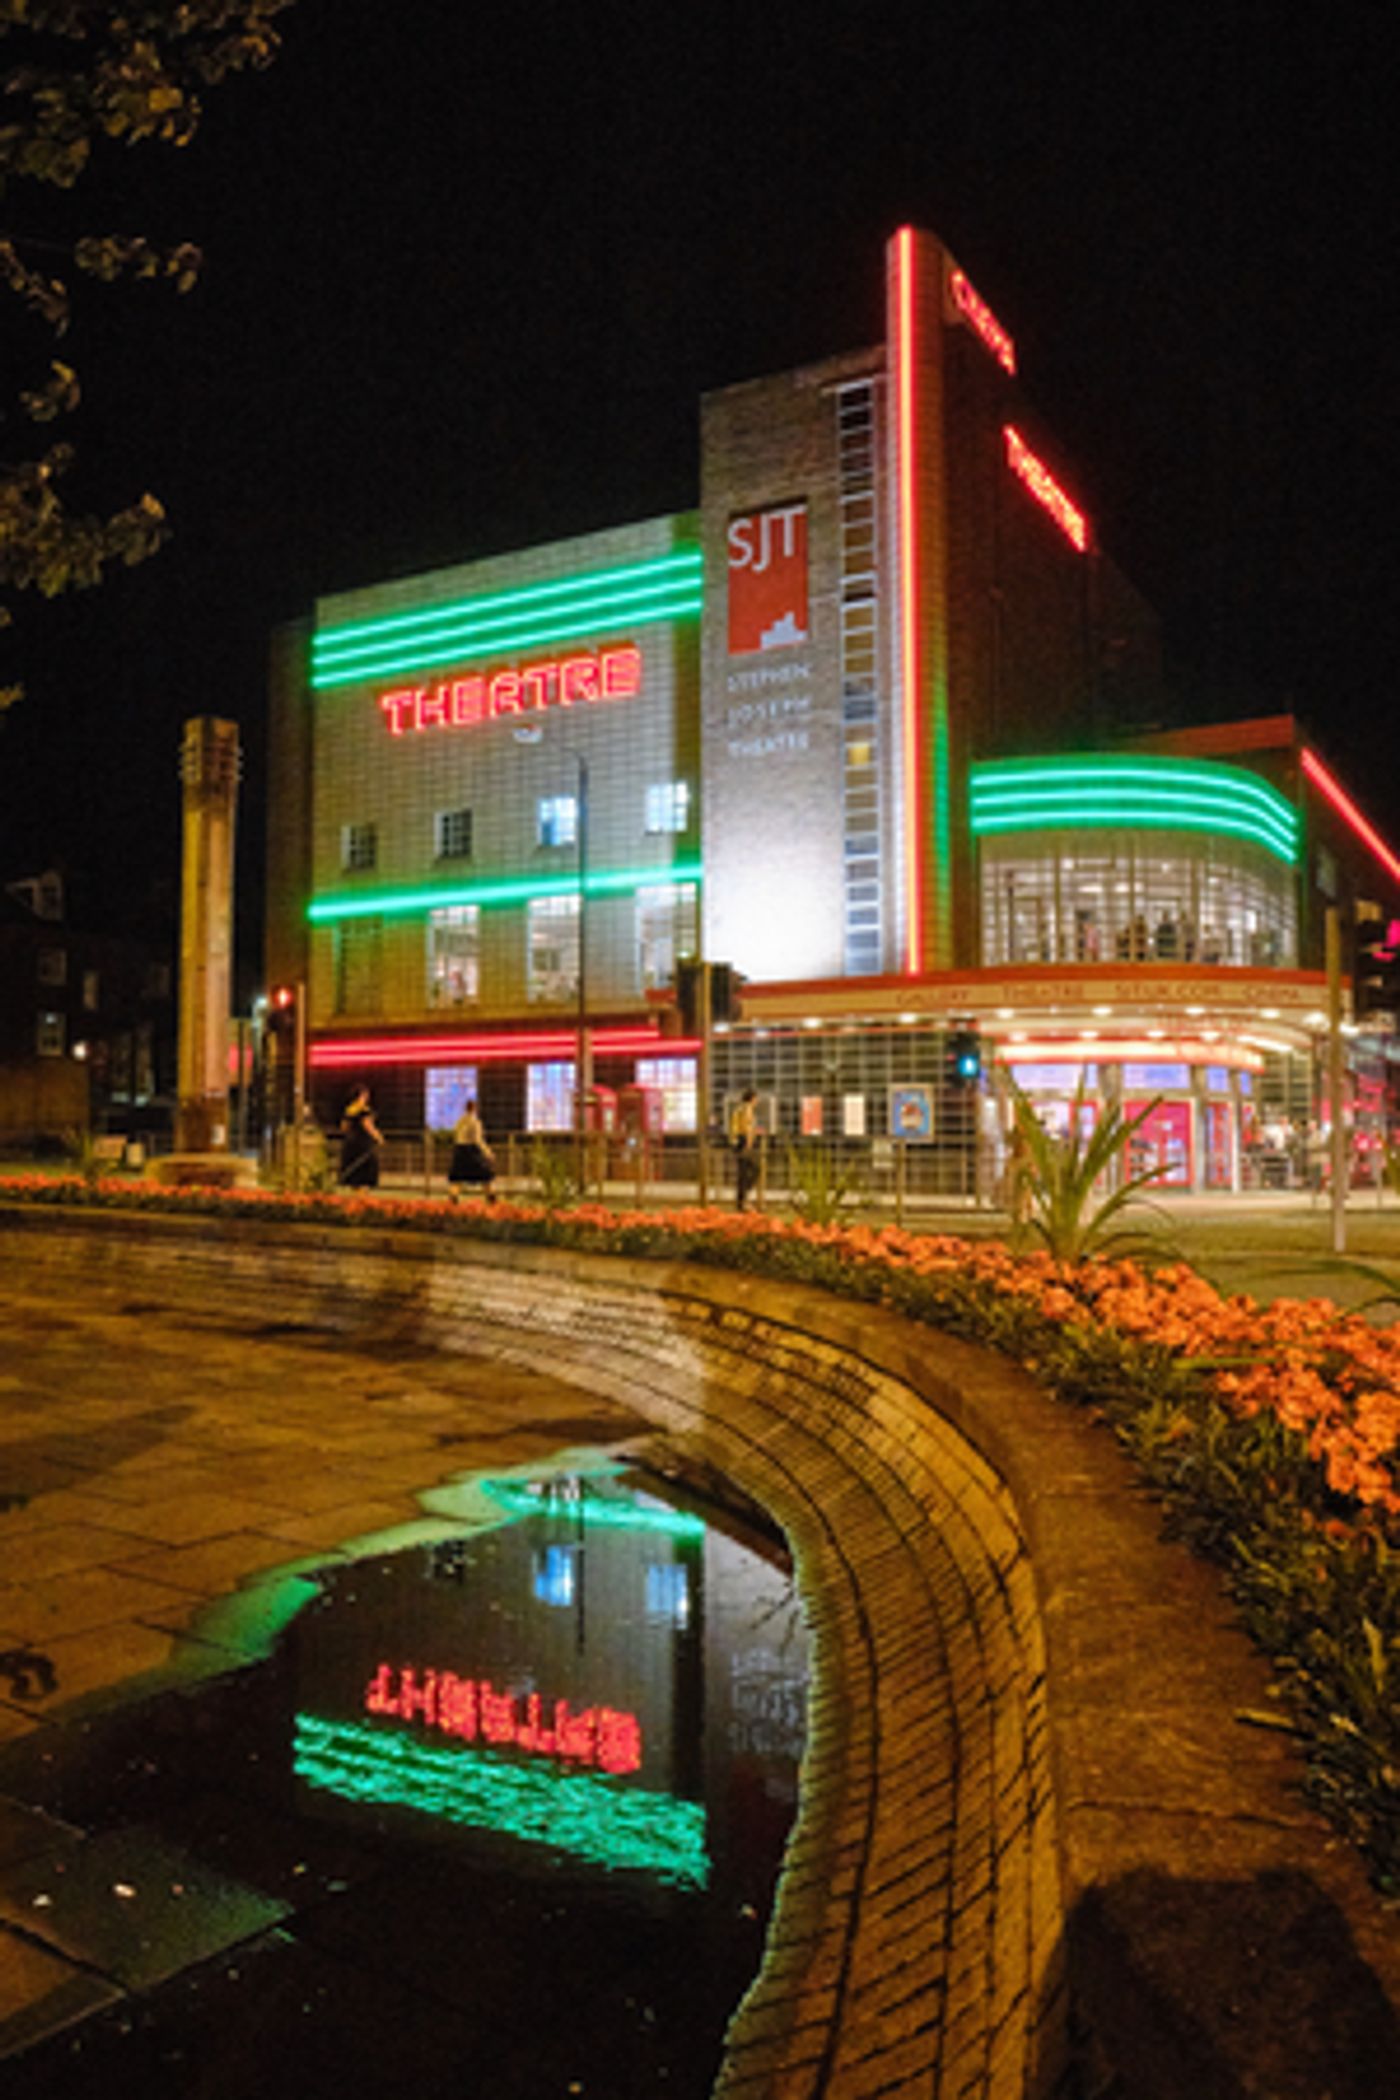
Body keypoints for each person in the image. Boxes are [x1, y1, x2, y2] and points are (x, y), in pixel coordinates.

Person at [448, 1097, 496, 1202]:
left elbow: (455, 1134)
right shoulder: (475, 1122)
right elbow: (478, 1140)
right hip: (471, 1151)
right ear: (475, 1109)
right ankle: (491, 1197)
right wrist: (488, 1153)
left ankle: (453, 1198)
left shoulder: (460, 1121)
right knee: (485, 1174)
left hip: (459, 1151)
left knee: (457, 1177)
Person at [338, 1086, 383, 1188]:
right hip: (363, 1144)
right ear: (361, 1096)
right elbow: (368, 1125)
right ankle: (363, 1195)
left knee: (353, 1172)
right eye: (365, 1095)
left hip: (350, 1144)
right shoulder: (364, 1110)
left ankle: (355, 1194)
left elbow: (344, 1127)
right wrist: (378, 1137)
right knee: (365, 1171)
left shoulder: (350, 1109)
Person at [729, 1087, 759, 1212]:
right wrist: (748, 1143)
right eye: (756, 1098)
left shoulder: (739, 1109)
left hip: (737, 1142)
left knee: (743, 1173)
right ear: (752, 1098)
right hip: (743, 1143)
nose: (758, 1101)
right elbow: (747, 1128)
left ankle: (741, 1201)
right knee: (754, 1170)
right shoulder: (747, 1109)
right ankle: (744, 1199)